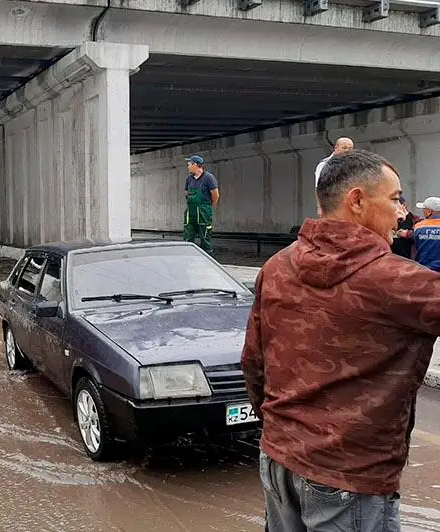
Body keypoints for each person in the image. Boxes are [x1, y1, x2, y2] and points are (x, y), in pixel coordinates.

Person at [241, 150, 440, 531]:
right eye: (396, 198)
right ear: (358, 201)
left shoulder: (277, 266)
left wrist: (281, 426)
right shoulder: (394, 281)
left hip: (278, 460)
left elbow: (253, 362)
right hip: (348, 475)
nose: (402, 212)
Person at [183, 155, 219, 254]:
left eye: (189, 164)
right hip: (190, 214)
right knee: (187, 237)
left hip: (203, 213)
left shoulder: (208, 178)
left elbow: (215, 195)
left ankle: (208, 260)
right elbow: (186, 194)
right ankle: (187, 260)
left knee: (205, 238)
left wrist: (207, 206)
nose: (188, 166)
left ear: (195, 165)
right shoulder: (189, 179)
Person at [413, 196, 440, 272]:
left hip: (425, 270)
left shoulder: (418, 226)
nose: (422, 211)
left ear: (429, 212)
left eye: (424, 209)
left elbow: (415, 247)